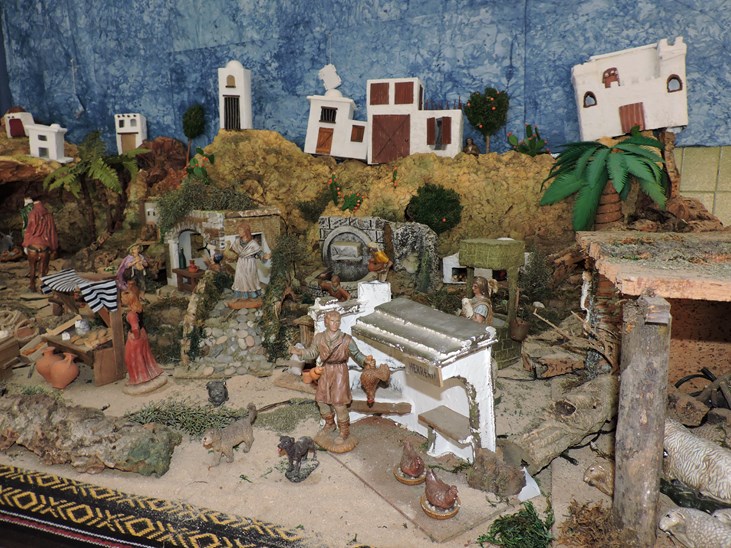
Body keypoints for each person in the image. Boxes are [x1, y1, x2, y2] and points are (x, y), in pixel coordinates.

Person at [291, 310, 368, 449]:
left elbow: (357, 354)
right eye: (332, 321)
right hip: (325, 371)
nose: (335, 324)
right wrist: (300, 352)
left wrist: (366, 361)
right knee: (321, 400)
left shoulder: (346, 339)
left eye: (338, 321)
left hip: (339, 372)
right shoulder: (319, 337)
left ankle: (344, 431)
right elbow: (312, 352)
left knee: (339, 403)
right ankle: (330, 423)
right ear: (326, 322)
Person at [120, 283, 165, 387]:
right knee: (144, 355)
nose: (121, 300)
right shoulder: (138, 307)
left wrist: (134, 336)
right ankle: (149, 373)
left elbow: (135, 328)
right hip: (143, 333)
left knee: (132, 358)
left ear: (128, 300)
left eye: (122, 298)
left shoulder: (131, 314)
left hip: (136, 337)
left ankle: (138, 378)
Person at [22, 198, 58, 292]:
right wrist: (53, 247)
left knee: (32, 267)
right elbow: (52, 232)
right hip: (44, 246)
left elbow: (29, 230)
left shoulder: (32, 213)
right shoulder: (48, 215)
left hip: (33, 246)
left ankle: (32, 287)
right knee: (43, 269)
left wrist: (25, 243)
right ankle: (44, 289)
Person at [230, 222, 270, 300]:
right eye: (238, 230)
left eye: (240, 230)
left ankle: (252, 293)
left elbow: (260, 254)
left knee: (250, 278)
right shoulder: (237, 242)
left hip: (250, 263)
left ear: (246, 231)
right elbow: (232, 252)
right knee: (240, 278)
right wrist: (230, 256)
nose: (239, 232)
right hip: (241, 263)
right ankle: (241, 294)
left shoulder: (253, 243)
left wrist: (265, 256)